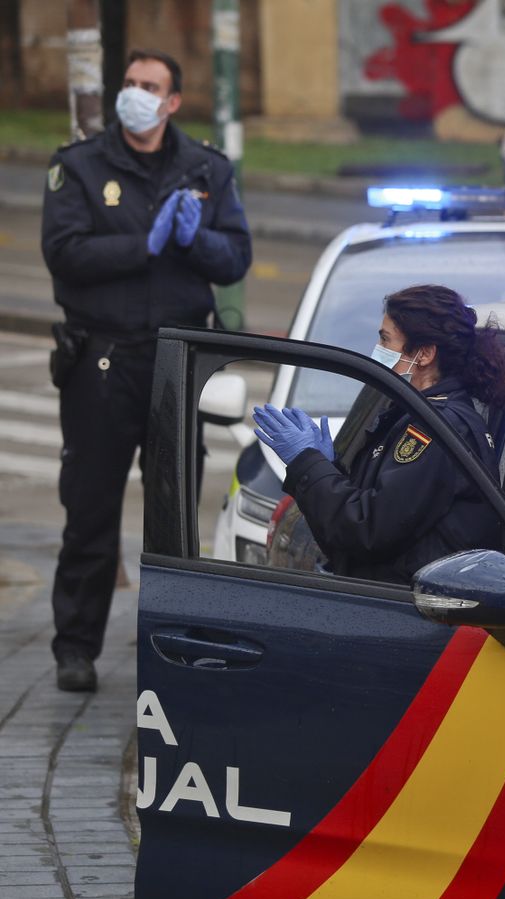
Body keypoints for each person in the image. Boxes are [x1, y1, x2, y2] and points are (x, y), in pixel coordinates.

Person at [41, 48, 251, 692]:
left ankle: (173, 650)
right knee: (91, 509)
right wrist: (146, 245)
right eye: (129, 83)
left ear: (172, 101)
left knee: (174, 516)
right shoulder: (79, 166)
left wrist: (195, 239)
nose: (135, 93)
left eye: (149, 85)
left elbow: (235, 256)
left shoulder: (206, 168)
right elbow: (65, 252)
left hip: (174, 364)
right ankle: (76, 648)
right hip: (102, 362)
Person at [252, 285, 505, 585]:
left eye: (385, 339)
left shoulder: (437, 430)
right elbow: (371, 516)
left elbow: (366, 530)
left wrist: (307, 464)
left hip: (416, 615)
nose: (378, 350)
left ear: (424, 354)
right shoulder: (414, 413)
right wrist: (328, 467)